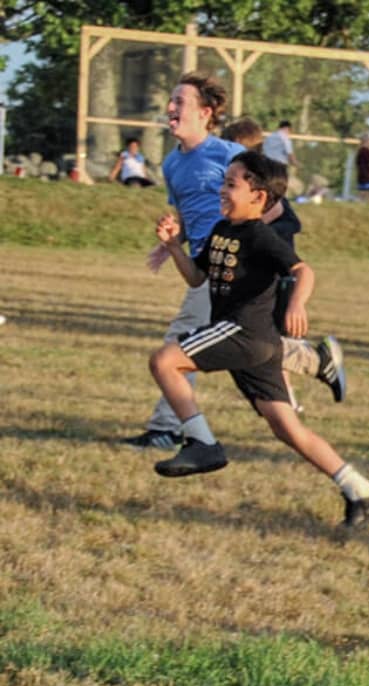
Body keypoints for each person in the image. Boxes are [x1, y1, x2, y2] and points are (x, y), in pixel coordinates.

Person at [147, 150, 369, 530]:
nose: (222, 190)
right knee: (286, 427)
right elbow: (198, 279)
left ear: (259, 197)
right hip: (254, 345)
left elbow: (302, 269)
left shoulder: (260, 236)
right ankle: (362, 491)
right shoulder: (220, 230)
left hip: (245, 333)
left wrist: (297, 303)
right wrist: (174, 245)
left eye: (231, 184)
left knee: (165, 361)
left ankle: (202, 445)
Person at [121, 73, 245, 451]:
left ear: (205, 113)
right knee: (254, 351)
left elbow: (267, 204)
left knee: (179, 343)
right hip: (202, 262)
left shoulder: (228, 155)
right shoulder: (173, 164)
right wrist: (173, 241)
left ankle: (167, 428)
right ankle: (313, 357)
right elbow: (188, 212)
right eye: (171, 101)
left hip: (230, 262)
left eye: (180, 102)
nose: (171, 108)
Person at [221, 116, 348, 412]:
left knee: (266, 342)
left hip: (276, 279)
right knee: (265, 342)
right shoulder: (250, 185)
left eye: (231, 149)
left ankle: (315, 365)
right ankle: (288, 398)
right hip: (263, 276)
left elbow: (271, 221)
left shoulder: (261, 191)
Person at [355, 134, 369, 202]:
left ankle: (360, 202)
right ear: (367, 141)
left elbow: (357, 163)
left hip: (361, 174)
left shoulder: (359, 151)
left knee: (362, 190)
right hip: (368, 174)